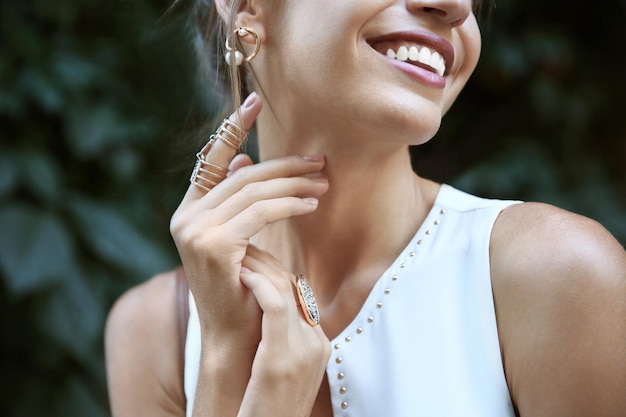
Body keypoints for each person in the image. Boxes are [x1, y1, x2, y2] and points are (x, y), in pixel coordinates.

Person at [104, 0, 626, 416]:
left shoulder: (558, 275)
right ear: (248, 10)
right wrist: (224, 361)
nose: (454, 7)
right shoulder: (154, 333)